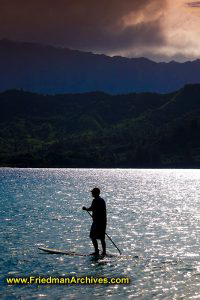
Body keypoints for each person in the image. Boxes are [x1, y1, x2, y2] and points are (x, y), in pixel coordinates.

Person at [82, 187, 107, 256]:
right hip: (103, 222)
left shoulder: (95, 200)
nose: (92, 194)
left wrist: (85, 208)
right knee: (102, 237)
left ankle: (96, 251)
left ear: (95, 193)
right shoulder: (102, 200)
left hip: (97, 222)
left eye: (92, 192)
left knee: (92, 236)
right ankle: (104, 252)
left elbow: (91, 208)